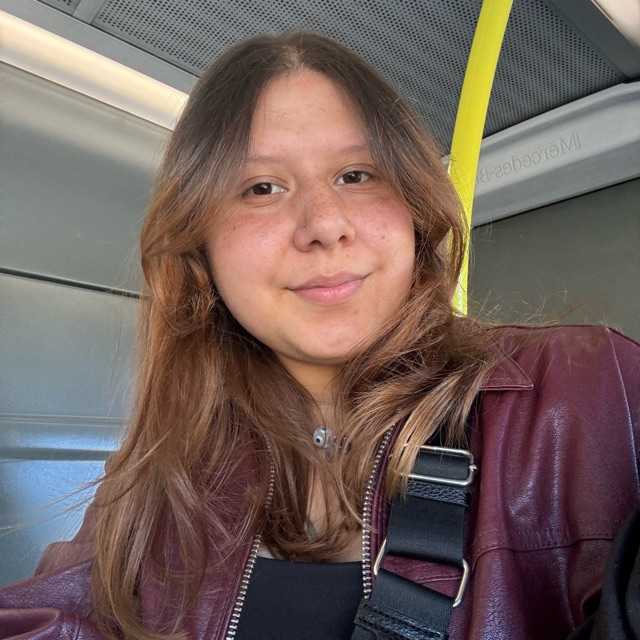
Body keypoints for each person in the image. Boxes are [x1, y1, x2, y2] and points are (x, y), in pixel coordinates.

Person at [1, 31, 639, 640]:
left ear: (415, 208)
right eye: (262, 187)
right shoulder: (160, 470)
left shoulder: (586, 389)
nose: (324, 225)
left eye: (356, 175)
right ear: (200, 245)